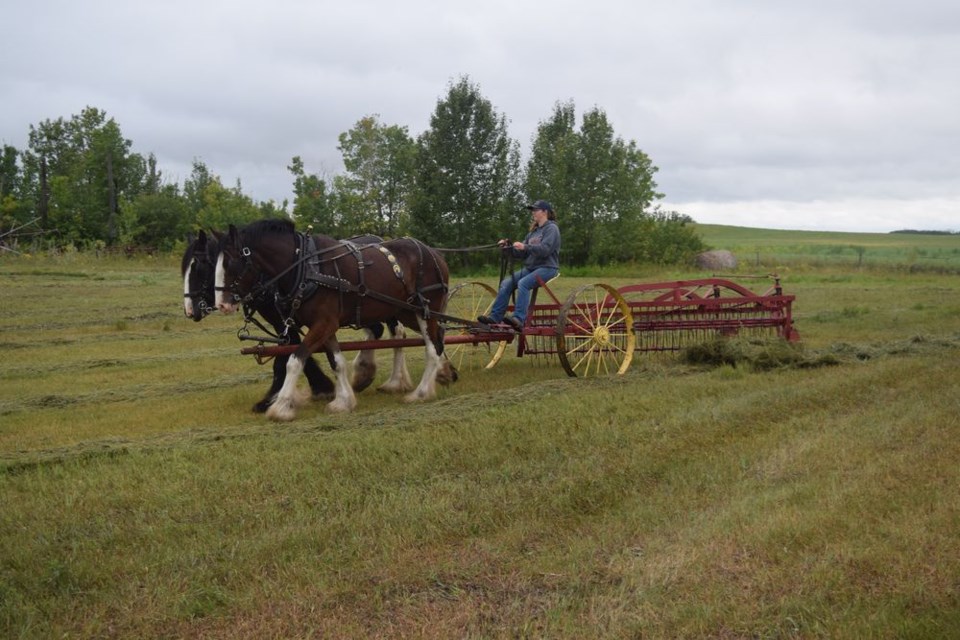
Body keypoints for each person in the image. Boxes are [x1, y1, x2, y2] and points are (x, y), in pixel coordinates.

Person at [478, 199, 561, 331]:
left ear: (545, 212)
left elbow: (545, 250)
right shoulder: (533, 232)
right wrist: (508, 248)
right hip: (531, 268)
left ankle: (518, 319)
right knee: (506, 283)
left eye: (535, 210)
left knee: (523, 283)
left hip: (547, 268)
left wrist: (525, 246)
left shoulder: (552, 228)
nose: (533, 212)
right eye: (532, 210)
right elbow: (521, 253)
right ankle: (495, 317)